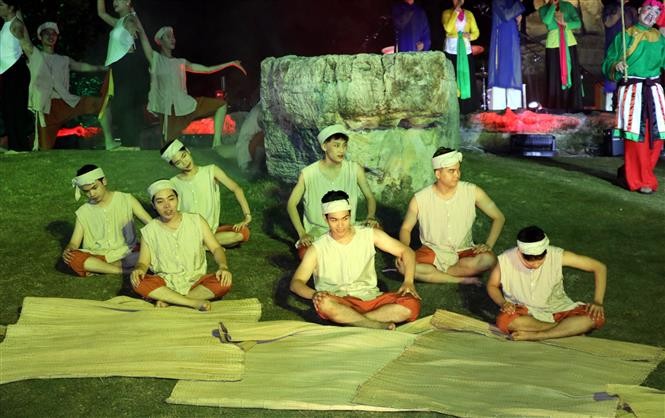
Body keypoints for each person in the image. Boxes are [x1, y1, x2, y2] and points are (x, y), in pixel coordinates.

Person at [290, 190, 421, 329]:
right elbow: (296, 282)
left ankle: (354, 321)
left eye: (345, 218)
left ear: (350, 215)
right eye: (334, 220)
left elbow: (406, 251)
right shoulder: (317, 248)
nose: (340, 225)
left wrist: (408, 281)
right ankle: (372, 324)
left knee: (412, 305)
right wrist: (314, 294)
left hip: (370, 298)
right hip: (339, 300)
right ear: (325, 219)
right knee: (324, 304)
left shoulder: (369, 234)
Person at [398, 147, 505, 284]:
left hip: (463, 251)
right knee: (403, 266)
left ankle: (438, 273)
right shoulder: (420, 199)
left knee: (488, 260)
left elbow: (499, 217)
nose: (457, 175)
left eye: (458, 170)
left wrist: (488, 245)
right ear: (438, 174)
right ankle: (461, 279)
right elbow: (406, 229)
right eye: (451, 171)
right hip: (432, 251)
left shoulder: (472, 191)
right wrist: (405, 250)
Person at [486, 225, 607, 341]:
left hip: (559, 308)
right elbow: (492, 286)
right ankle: (568, 330)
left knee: (593, 318)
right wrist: (503, 303)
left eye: (540, 258)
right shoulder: (504, 260)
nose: (536, 264)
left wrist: (598, 302)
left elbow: (599, 267)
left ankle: (538, 335)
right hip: (526, 312)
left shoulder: (556, 255)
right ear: (520, 252)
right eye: (529, 260)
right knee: (505, 321)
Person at [131, 180, 233, 311]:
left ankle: (171, 301)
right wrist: (139, 269)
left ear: (178, 199)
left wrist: (223, 267)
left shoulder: (196, 220)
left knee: (224, 282)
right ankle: (192, 302)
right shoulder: (149, 230)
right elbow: (143, 262)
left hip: (196, 281)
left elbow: (216, 248)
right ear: (154, 205)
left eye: (171, 199)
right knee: (138, 282)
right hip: (165, 284)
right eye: (160, 202)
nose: (167, 206)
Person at [136, 24, 246, 146]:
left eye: (173, 36)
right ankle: (175, 152)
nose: (173, 39)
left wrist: (230, 63)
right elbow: (142, 35)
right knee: (169, 147)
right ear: (160, 41)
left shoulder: (181, 62)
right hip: (170, 110)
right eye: (168, 36)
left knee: (221, 105)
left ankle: (217, 143)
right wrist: (135, 19)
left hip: (186, 105)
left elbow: (207, 69)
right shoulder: (155, 59)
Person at [287, 125, 379, 259]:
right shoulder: (308, 173)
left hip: (347, 228)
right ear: (324, 146)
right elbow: (291, 204)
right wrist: (302, 233)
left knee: (376, 230)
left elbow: (370, 197)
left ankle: (342, 253)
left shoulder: (354, 169)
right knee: (307, 253)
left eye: (344, 145)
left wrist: (370, 216)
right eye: (336, 145)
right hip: (319, 232)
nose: (341, 150)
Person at [602, 0, 665, 194]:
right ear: (639, 10)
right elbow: (608, 63)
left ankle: (638, 173)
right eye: (648, 9)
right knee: (636, 136)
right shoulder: (624, 35)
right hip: (633, 90)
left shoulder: (659, 38)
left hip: (654, 90)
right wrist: (616, 65)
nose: (652, 14)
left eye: (657, 12)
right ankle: (639, 180)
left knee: (657, 137)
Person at [18, 22, 113, 150]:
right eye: (47, 33)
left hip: (66, 102)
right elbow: (24, 40)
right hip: (46, 109)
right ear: (40, 37)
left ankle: (110, 142)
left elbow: (81, 66)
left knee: (102, 104)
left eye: (54, 34)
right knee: (42, 148)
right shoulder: (34, 55)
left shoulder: (63, 59)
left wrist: (103, 68)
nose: (51, 36)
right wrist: (15, 14)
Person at [63, 165, 152, 277]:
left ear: (104, 181)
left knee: (150, 252)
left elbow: (151, 224)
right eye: (86, 191)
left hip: (127, 252)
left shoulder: (126, 199)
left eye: (94, 188)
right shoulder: (83, 211)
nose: (92, 194)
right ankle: (123, 271)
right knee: (73, 258)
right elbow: (74, 243)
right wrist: (69, 249)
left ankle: (101, 268)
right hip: (98, 256)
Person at [160, 139, 251, 247]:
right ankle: (204, 244)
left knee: (242, 234)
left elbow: (236, 188)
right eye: (178, 162)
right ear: (173, 166)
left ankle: (204, 244)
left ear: (188, 151)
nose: (184, 162)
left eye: (184, 156)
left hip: (211, 230)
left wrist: (247, 216)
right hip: (188, 231)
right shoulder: (173, 183)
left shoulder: (211, 171)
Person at [97, 0, 149, 150]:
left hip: (125, 64)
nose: (114, 2)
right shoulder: (118, 22)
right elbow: (101, 13)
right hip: (118, 65)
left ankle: (130, 143)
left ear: (128, 2)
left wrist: (131, 32)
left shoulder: (130, 17)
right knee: (119, 103)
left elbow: (132, 24)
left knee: (124, 103)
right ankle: (129, 143)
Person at [538, 0, 583, 112]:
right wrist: (553, 6)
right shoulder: (543, 9)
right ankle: (555, 107)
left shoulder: (567, 5)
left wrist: (566, 24)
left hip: (569, 43)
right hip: (553, 44)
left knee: (571, 73)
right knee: (555, 75)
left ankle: (572, 105)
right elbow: (547, 21)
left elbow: (578, 23)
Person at [0, 0, 33, 151]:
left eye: (1, 5)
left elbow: (27, 47)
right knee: (8, 110)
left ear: (11, 7)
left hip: (16, 71)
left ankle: (20, 147)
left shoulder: (16, 25)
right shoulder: (6, 25)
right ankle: (15, 147)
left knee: (17, 110)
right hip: (7, 73)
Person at [442, 0, 480, 114]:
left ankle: (467, 108)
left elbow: (476, 32)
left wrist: (470, 36)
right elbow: (448, 28)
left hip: (465, 50)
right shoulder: (446, 13)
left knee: (466, 77)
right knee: (452, 79)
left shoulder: (469, 14)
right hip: (451, 50)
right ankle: (452, 108)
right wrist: (456, 12)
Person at [488, 0, 525, 110]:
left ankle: (515, 109)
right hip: (501, 40)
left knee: (513, 72)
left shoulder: (512, 2)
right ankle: (498, 110)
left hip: (512, 40)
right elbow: (506, 15)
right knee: (500, 73)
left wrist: (518, 19)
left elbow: (514, 19)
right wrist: (519, 4)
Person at [601, 0, 638, 111]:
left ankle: (626, 109)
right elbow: (608, 23)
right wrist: (619, 9)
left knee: (626, 80)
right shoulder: (610, 7)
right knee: (611, 78)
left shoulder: (631, 10)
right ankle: (608, 109)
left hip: (628, 50)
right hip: (613, 49)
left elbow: (634, 28)